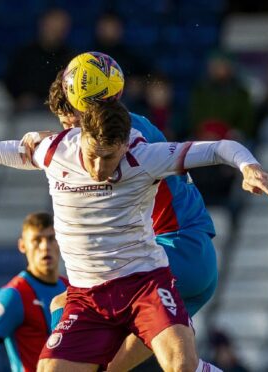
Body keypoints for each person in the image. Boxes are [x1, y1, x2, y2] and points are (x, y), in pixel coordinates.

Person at [0, 101, 268, 371]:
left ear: (124, 145)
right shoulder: (57, 149)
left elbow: (219, 148)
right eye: (94, 156)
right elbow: (19, 151)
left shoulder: (144, 156)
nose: (100, 168)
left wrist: (248, 167)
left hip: (145, 281)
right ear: (80, 138)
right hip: (90, 297)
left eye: (110, 158)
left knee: (180, 364)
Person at [42, 70, 219, 370]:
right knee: (114, 367)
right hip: (194, 258)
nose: (69, 135)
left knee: (65, 305)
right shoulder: (127, 127)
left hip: (175, 248)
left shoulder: (122, 135)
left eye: (69, 123)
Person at [0, 212, 68, 371]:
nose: (45, 246)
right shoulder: (13, 295)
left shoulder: (70, 289)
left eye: (51, 238)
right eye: (37, 240)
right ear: (22, 246)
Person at [4, 8, 75, 111]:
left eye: (60, 27)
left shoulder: (71, 58)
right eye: (52, 25)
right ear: (42, 24)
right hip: (26, 112)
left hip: (58, 112)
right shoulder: (24, 54)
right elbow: (11, 80)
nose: (56, 30)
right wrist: (20, 97)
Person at [189, 50, 255, 141]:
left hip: (232, 139)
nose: (217, 68)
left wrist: (233, 133)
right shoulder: (200, 91)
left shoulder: (241, 94)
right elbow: (194, 118)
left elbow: (247, 123)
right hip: (204, 136)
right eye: (214, 65)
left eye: (221, 64)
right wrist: (205, 132)